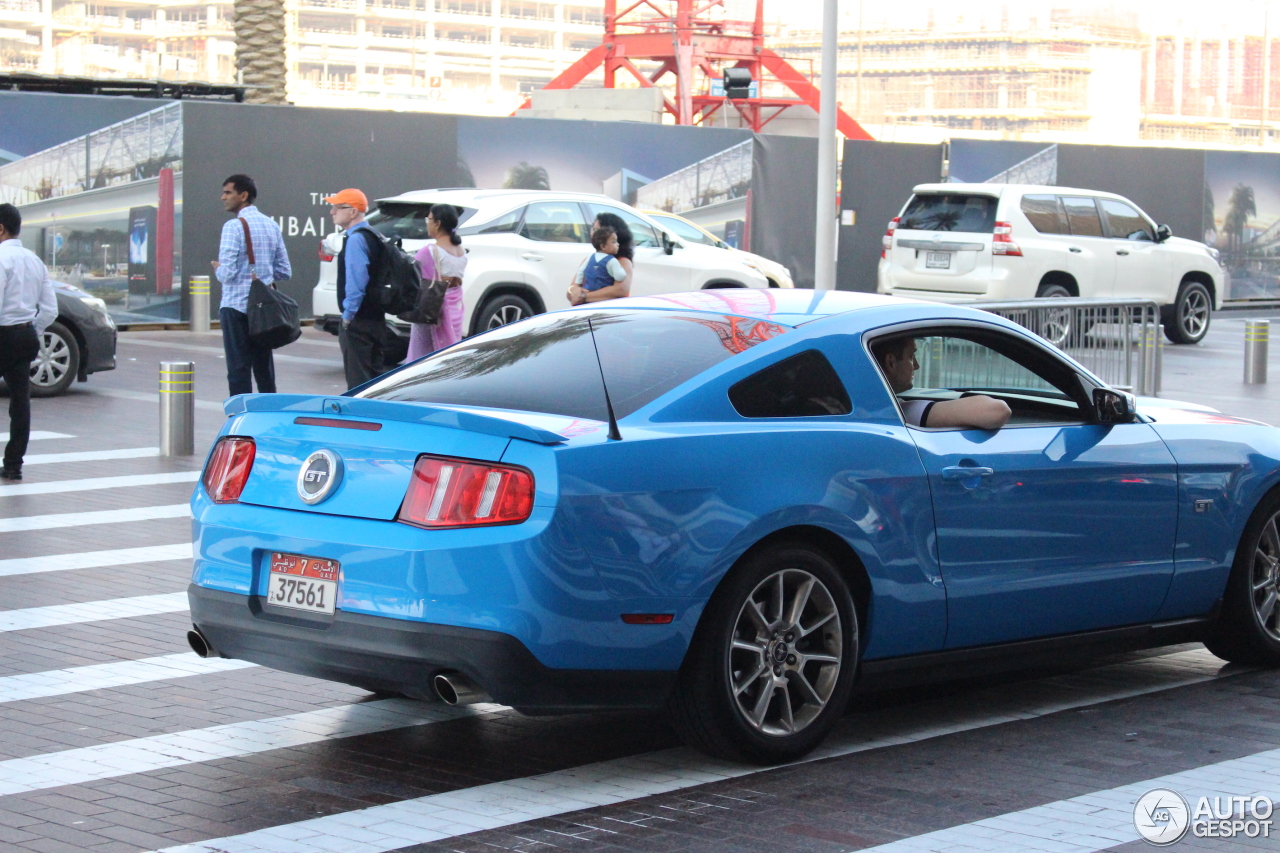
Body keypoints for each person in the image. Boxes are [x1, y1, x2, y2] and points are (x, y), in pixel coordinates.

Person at [212, 174, 292, 397]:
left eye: (228, 192)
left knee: (238, 368)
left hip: (236, 307)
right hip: (263, 309)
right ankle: (268, 413)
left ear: (243, 195)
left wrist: (217, 267)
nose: (223, 197)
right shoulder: (271, 225)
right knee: (264, 368)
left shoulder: (233, 226)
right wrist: (262, 272)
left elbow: (227, 274)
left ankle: (241, 418)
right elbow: (285, 271)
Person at [0, 204, 56, 482]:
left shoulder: (0, 258)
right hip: (25, 336)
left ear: (0, 229)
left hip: (2, 334)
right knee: (20, 402)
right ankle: (13, 465)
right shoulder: (35, 260)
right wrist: (32, 328)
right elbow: (50, 309)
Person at [327, 188, 395, 388]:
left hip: (360, 321)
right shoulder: (375, 235)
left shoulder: (356, 239)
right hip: (376, 318)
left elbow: (357, 281)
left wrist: (348, 315)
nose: (333, 212)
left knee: (358, 382)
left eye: (338, 207)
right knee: (374, 380)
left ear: (353, 211)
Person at [874, 336, 1011, 430]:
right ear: (891, 362)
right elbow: (997, 411)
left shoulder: (867, 407)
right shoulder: (903, 412)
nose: (916, 365)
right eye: (911, 356)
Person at [407, 204, 467, 361]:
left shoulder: (430, 251)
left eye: (429, 219)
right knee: (448, 358)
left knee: (422, 360)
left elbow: (414, 278)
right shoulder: (460, 250)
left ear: (438, 223)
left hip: (432, 312)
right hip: (455, 311)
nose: (427, 222)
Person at [568, 212, 633, 305]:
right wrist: (574, 291)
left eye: (597, 230)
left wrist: (583, 296)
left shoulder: (623, 261)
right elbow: (571, 290)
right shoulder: (589, 259)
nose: (592, 233)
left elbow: (620, 290)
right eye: (592, 229)